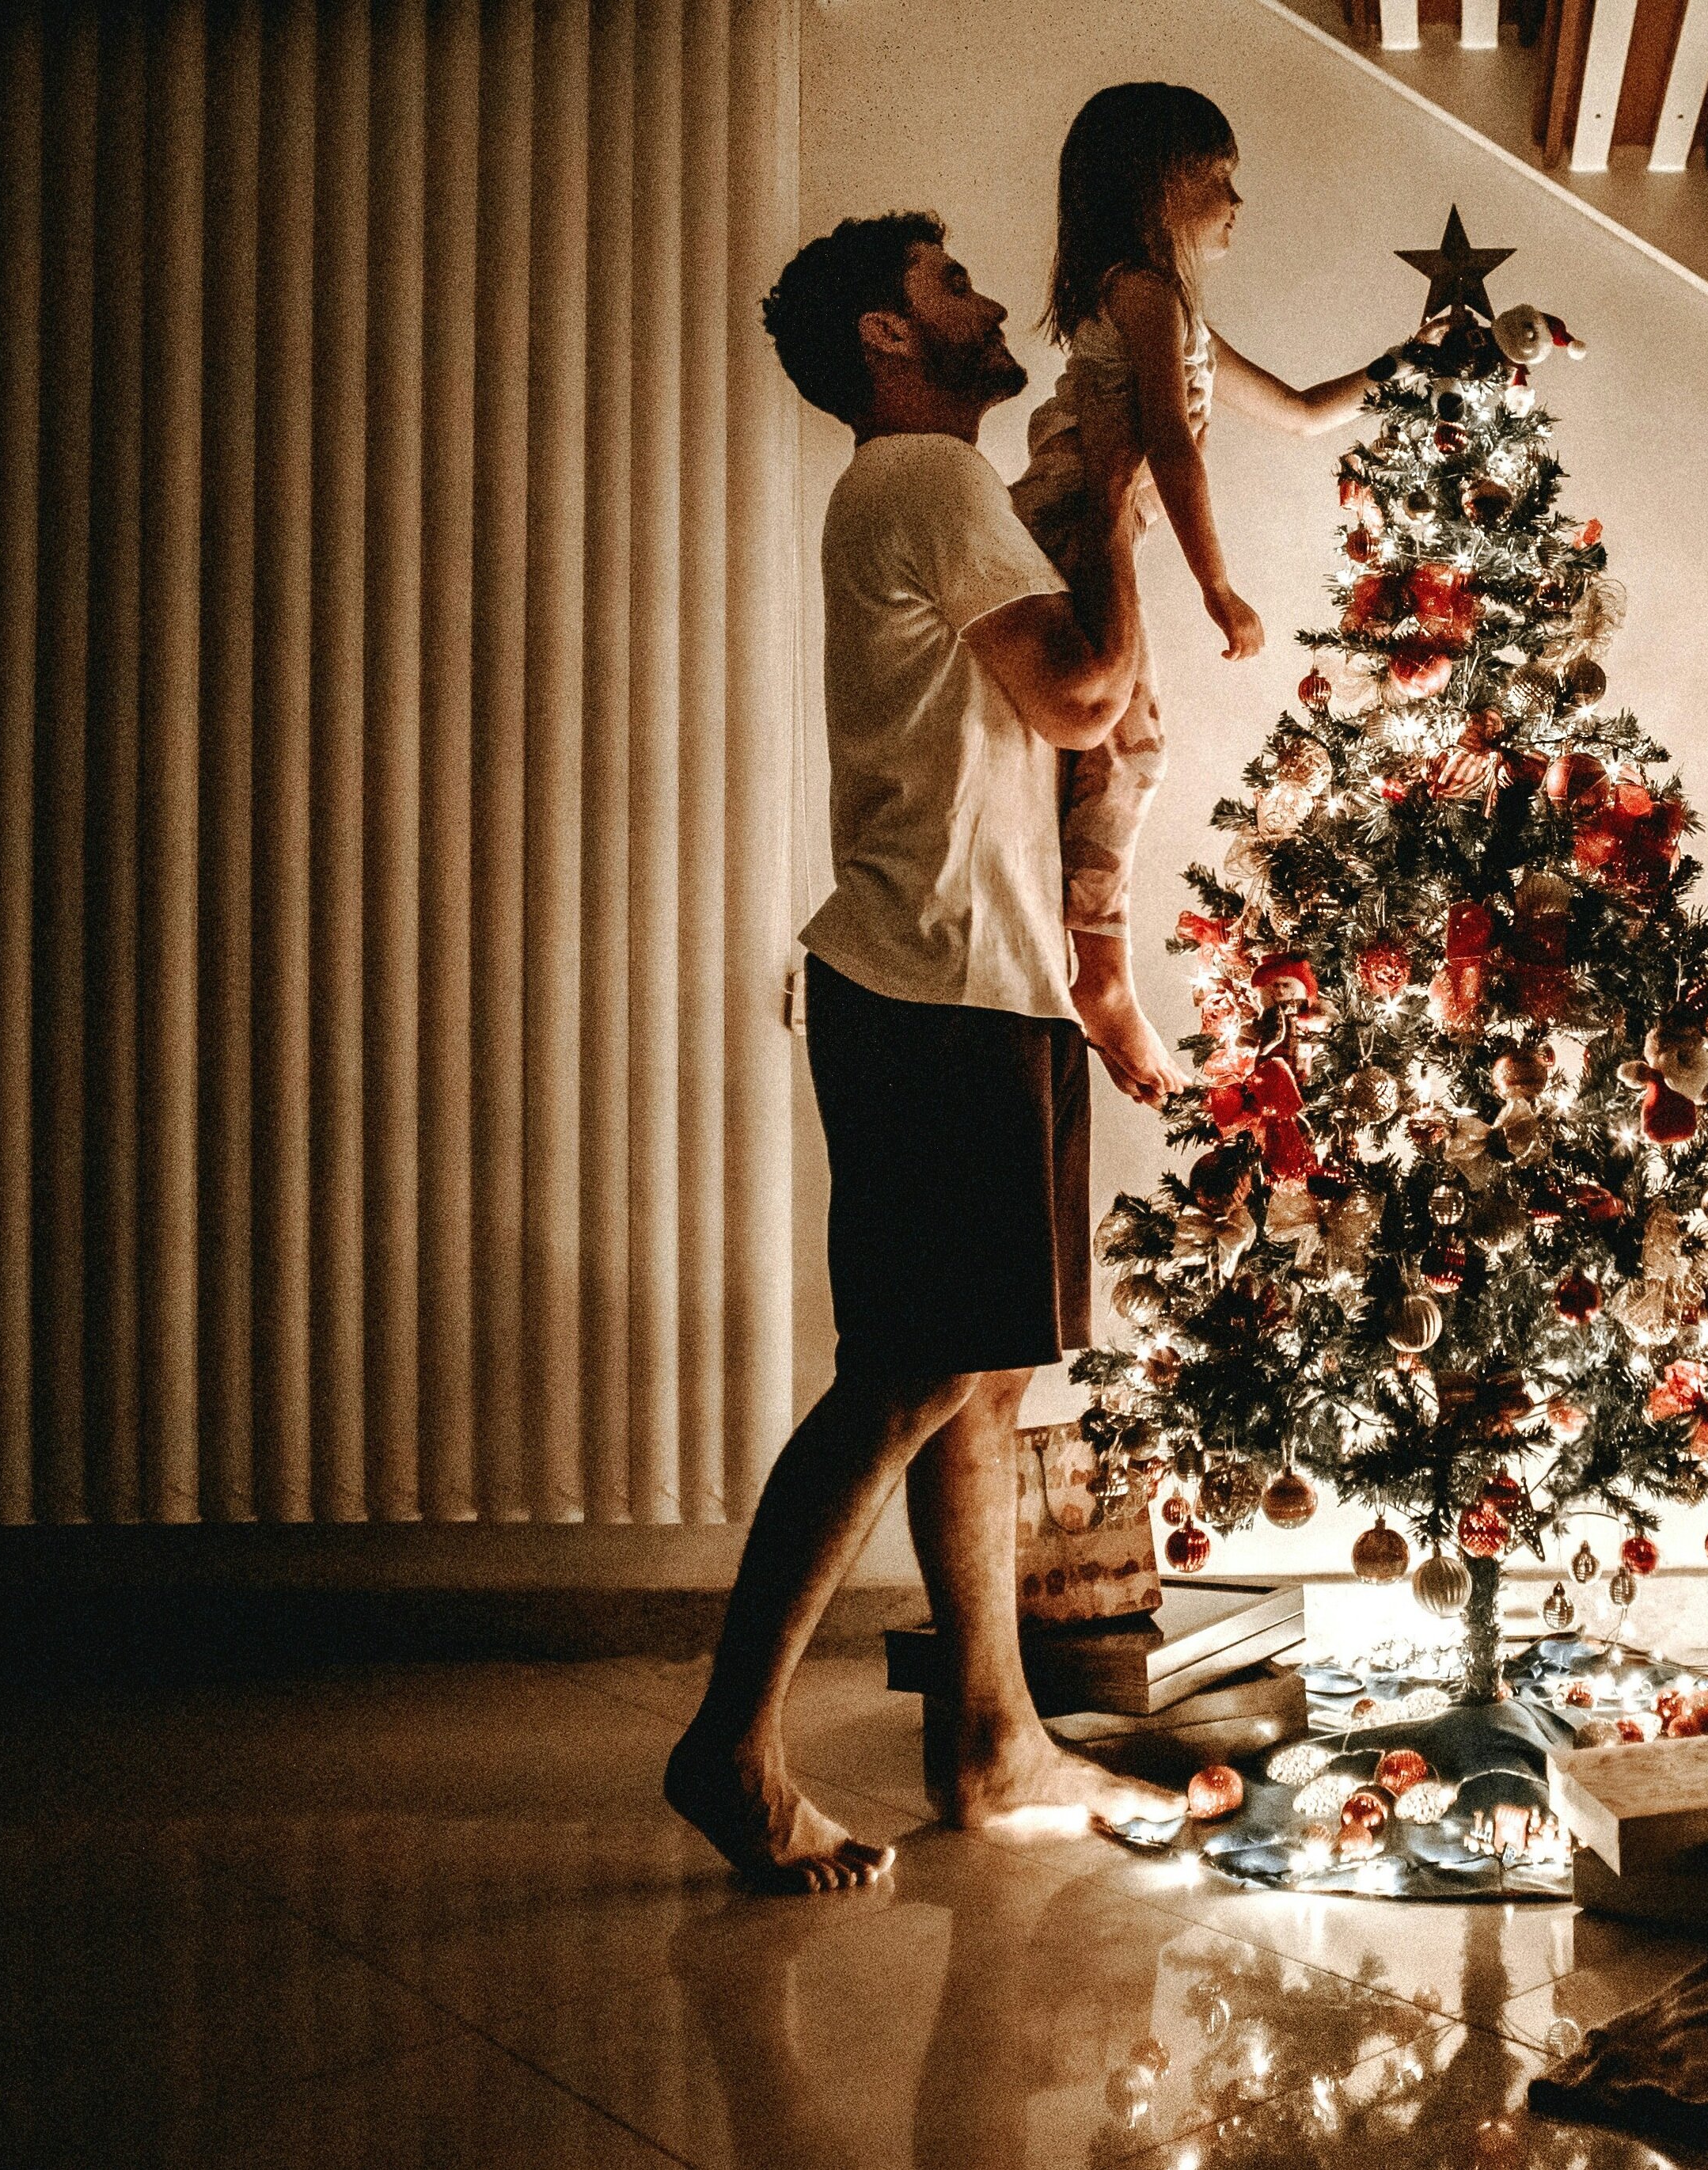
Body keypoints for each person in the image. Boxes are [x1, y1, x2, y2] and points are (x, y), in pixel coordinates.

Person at [666, 211, 1180, 1893]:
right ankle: (732, 1744)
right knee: (906, 1362)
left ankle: (989, 1734)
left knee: (975, 1362)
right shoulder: (922, 480)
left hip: (985, 976)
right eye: (945, 285)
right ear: (888, 337)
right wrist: (1112, 484)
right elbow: (1087, 693)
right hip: (937, 980)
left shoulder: (929, 497)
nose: (975, 306)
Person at [1016, 82, 1391, 1107]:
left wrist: (1411, 364)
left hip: (1084, 544)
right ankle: (1097, 975)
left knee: (1115, 750)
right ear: (1158, 189)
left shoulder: (1171, 313)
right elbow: (1172, 449)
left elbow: (1307, 412)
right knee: (1125, 744)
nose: (1237, 202)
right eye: (1219, 179)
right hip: (1063, 539)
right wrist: (1219, 588)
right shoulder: (1144, 293)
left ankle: (1086, 960)